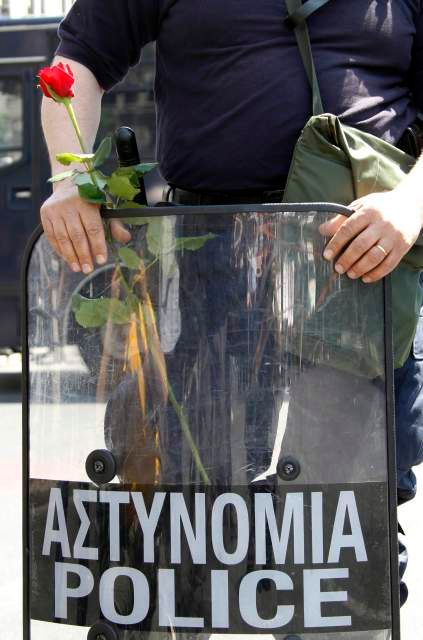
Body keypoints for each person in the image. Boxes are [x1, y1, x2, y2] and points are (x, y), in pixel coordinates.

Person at [40, 0, 423, 608]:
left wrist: (412, 203)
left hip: (359, 262)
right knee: (198, 507)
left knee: (347, 523)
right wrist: (72, 181)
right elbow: (78, 59)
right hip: (215, 253)